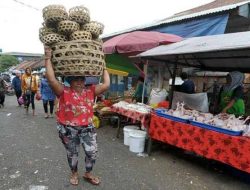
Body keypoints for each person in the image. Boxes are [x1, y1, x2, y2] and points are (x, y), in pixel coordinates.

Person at [44, 46, 110, 186]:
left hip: (87, 128)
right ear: (70, 81)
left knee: (92, 152)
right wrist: (48, 57)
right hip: (68, 129)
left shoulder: (90, 91)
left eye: (82, 79)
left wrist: (104, 66)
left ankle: (88, 173)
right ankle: (74, 173)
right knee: (72, 153)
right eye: (76, 79)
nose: (80, 82)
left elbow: (106, 84)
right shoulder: (63, 91)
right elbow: (51, 79)